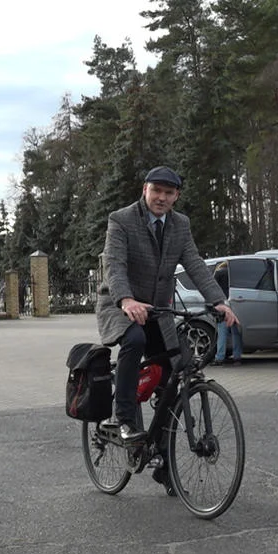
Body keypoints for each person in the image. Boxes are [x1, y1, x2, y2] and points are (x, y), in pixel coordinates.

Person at [95, 166, 239, 491]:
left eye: (169, 193)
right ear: (144, 189)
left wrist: (219, 301)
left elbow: (195, 265)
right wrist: (127, 300)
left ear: (176, 197)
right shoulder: (122, 220)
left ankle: (164, 461)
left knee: (178, 371)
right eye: (156, 190)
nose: (161, 198)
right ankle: (124, 418)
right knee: (132, 340)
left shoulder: (180, 225)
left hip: (158, 311)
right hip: (122, 305)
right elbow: (114, 265)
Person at [210, 261, 243, 366]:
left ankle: (220, 357)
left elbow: (212, 288)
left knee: (222, 332)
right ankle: (237, 357)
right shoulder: (236, 274)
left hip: (223, 304)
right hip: (236, 302)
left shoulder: (219, 273)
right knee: (236, 333)